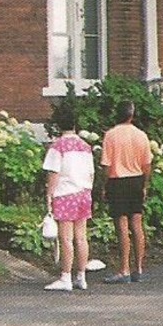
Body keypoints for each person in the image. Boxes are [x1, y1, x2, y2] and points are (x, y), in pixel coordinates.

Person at [42, 104, 95, 291]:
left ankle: (65, 276)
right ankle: (81, 275)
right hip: (84, 193)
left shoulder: (57, 147)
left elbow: (53, 173)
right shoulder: (85, 146)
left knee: (66, 238)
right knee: (81, 237)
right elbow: (91, 173)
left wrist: (49, 195)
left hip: (65, 193)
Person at [100, 100, 153, 284]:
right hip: (137, 179)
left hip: (117, 180)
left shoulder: (111, 135)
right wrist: (144, 185)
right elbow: (147, 164)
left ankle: (124, 269)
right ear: (132, 115)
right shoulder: (141, 136)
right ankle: (138, 268)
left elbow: (106, 165)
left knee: (122, 225)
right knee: (137, 223)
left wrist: (105, 185)